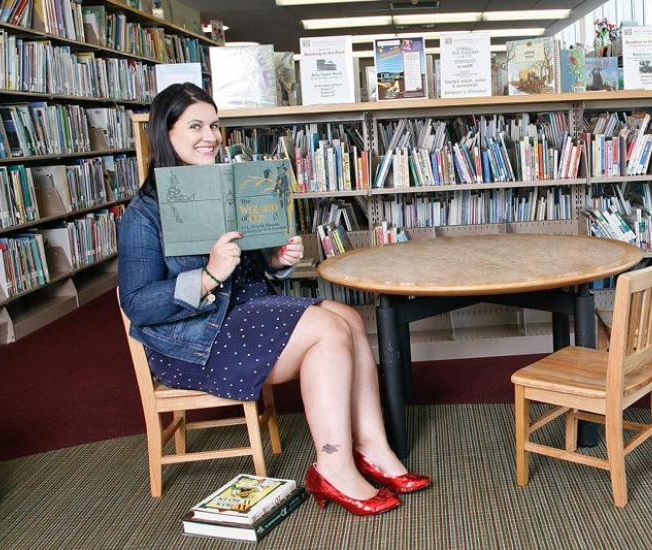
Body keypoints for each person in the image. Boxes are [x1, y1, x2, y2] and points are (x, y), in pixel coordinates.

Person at [118, 83, 429, 516]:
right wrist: (206, 276)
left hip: (243, 313)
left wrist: (277, 261)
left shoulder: (225, 188)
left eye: (214, 125)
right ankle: (333, 468)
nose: (210, 135)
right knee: (327, 330)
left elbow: (248, 273)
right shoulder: (144, 214)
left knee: (351, 320)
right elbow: (136, 303)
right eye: (195, 126)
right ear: (163, 134)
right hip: (193, 342)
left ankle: (372, 448)